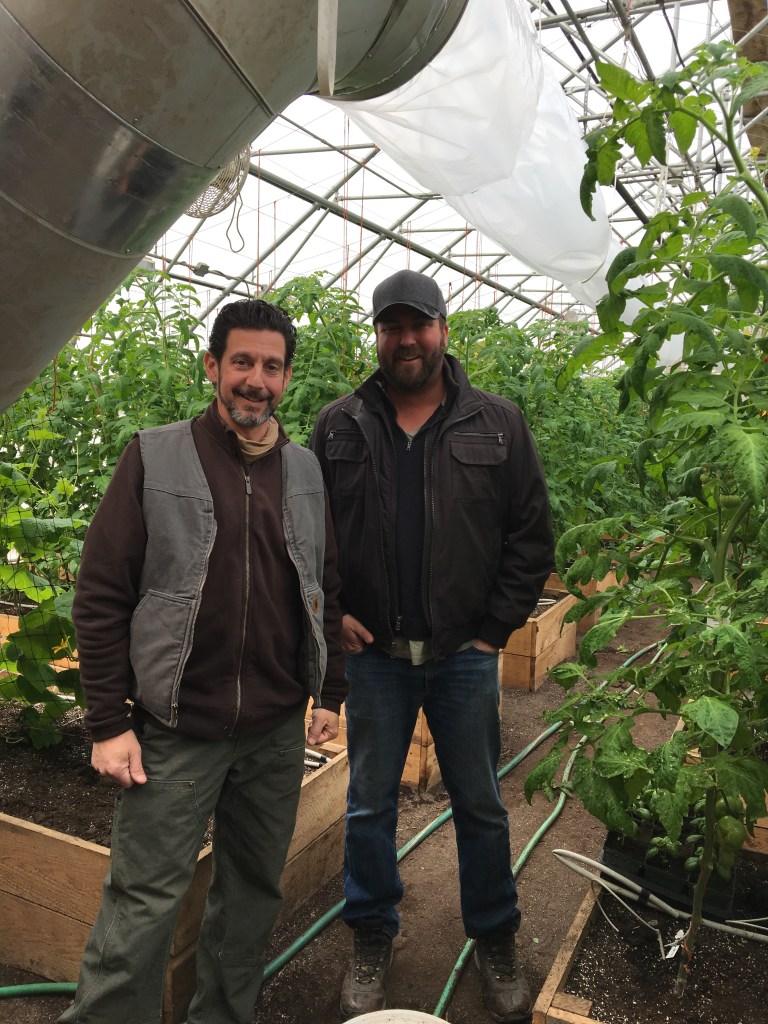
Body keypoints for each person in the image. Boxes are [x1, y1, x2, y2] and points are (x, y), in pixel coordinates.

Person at [60, 298, 346, 1024]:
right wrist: (107, 723)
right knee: (143, 903)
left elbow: (325, 585)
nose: (256, 380)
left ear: (286, 378)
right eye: (242, 361)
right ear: (213, 366)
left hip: (273, 732)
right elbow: (101, 594)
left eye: (272, 366)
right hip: (178, 729)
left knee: (251, 896)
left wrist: (328, 692)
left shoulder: (304, 470)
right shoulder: (155, 456)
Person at [310, 269, 554, 1023]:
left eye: (419, 325)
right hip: (375, 657)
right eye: (392, 327)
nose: (406, 340)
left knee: (479, 802)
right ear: (378, 336)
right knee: (368, 805)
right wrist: (333, 616)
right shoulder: (339, 425)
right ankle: (372, 934)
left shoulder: (497, 423)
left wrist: (494, 630)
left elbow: (531, 534)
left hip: (462, 658)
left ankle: (495, 936)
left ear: (445, 330)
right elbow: (308, 536)